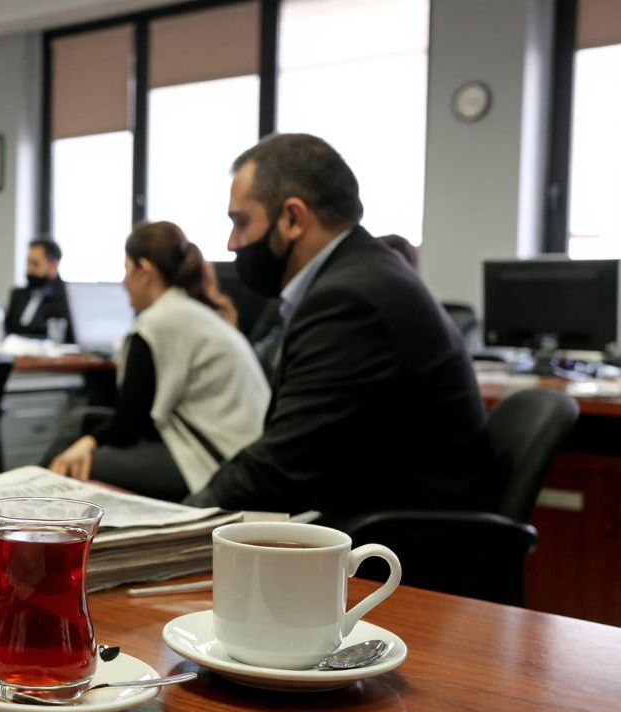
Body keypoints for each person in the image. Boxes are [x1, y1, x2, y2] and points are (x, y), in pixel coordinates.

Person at [186, 133, 490, 519]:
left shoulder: (350, 300)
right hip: (373, 518)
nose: (232, 243)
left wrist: (171, 527)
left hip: (402, 547)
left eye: (240, 222)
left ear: (293, 218)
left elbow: (281, 466)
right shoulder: (365, 272)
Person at [46, 222, 269, 500]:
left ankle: (31, 507)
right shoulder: (195, 312)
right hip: (237, 452)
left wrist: (88, 443)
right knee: (79, 421)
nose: (124, 284)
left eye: (126, 271)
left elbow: (129, 426)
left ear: (145, 272)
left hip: (212, 461)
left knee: (77, 463)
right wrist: (88, 437)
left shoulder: (156, 323)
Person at [5, 237, 73, 340]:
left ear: (53, 265)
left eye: (35, 264)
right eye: (28, 263)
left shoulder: (67, 297)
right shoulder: (18, 295)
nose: (29, 269)